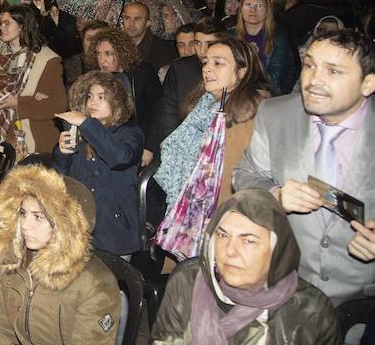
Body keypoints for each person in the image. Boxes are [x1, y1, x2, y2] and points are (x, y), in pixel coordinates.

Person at [233, 29, 374, 306]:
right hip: (288, 285)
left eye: (333, 71)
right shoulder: (276, 113)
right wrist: (275, 195)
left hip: (364, 298)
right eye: (309, 65)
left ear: (367, 84)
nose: (314, 80)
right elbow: (245, 175)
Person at [151, 189, 340, 344]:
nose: (230, 251)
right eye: (223, 235)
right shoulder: (187, 283)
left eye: (249, 241)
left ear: (277, 250)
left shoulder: (311, 311)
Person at [0, 164, 121, 343]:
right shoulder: (13, 261)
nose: (25, 225)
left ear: (66, 226)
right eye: (23, 213)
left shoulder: (95, 284)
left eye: (38, 217)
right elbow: (0, 328)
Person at [156, 37, 269, 212]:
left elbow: (235, 173)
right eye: (206, 62)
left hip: (225, 208)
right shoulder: (205, 103)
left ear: (242, 72)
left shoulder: (247, 111)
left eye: (218, 63)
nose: (207, 68)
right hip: (191, 202)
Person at [54, 71, 143, 256]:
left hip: (114, 228)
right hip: (81, 225)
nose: (93, 102)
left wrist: (86, 124)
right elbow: (60, 178)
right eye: (90, 96)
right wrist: (62, 153)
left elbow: (120, 158)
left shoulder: (130, 133)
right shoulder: (80, 133)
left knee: (113, 274)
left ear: (117, 101)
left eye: (101, 97)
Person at [0, 4, 67, 158]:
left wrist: (18, 103)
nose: (1, 27)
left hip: (32, 139)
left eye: (7, 23)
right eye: (0, 23)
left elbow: (58, 105)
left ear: (23, 26)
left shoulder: (47, 59)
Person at [147, 18, 226, 155]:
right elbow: (168, 112)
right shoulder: (180, 68)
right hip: (182, 147)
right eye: (198, 43)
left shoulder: (231, 70)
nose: (202, 51)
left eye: (210, 44)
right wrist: (174, 147)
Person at [87, 27, 161, 167]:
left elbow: (158, 110)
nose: (102, 60)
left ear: (121, 52)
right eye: (98, 54)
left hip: (138, 140)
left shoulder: (142, 72)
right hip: (109, 141)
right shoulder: (97, 78)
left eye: (108, 54)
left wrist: (150, 145)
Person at [233, 0, 295, 95]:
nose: (253, 10)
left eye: (259, 6)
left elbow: (275, 77)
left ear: (267, 10)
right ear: (241, 9)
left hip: (265, 94)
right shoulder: (231, 36)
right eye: (248, 5)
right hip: (234, 92)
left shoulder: (279, 38)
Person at [122, 2, 178, 72]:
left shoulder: (163, 51)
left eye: (137, 19)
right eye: (127, 18)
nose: (131, 23)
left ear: (147, 23)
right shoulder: (116, 46)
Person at [63, 19, 109, 88]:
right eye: (89, 39)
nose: (92, 43)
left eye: (97, 39)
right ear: (83, 41)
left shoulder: (111, 64)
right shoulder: (70, 65)